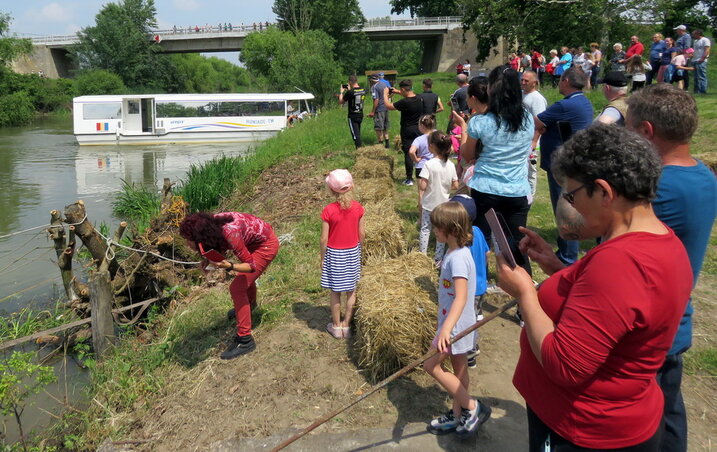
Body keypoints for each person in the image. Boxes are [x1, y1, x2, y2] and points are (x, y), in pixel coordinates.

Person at [497, 124, 693, 451]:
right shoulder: (661, 242)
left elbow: (564, 364)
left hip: (583, 428)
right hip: (614, 420)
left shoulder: (620, 263)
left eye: (572, 195)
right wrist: (559, 269)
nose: (570, 204)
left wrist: (525, 292)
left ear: (603, 191)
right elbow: (616, 310)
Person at [626, 84, 717, 452]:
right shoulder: (704, 177)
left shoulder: (656, 189)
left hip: (645, 327)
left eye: (630, 129)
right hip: (675, 322)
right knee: (669, 412)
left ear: (647, 132)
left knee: (649, 423)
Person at [452, 68, 534, 275]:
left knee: (479, 240)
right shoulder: (527, 118)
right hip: (517, 190)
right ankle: (525, 299)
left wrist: (463, 128)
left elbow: (467, 154)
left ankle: (476, 283)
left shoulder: (481, 122)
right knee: (517, 245)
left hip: (486, 189)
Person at [423, 201, 491, 437]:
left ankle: (473, 407)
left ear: (450, 230)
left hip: (455, 326)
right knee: (459, 370)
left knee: (431, 365)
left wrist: (446, 330)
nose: (434, 232)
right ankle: (458, 412)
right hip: (452, 323)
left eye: (437, 228)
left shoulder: (459, 258)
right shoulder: (454, 252)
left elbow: (461, 298)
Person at [179, 212, 280, 359]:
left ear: (199, 236)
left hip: (265, 246)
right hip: (252, 242)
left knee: (237, 288)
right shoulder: (212, 226)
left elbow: (250, 266)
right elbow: (217, 243)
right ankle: (250, 306)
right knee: (243, 283)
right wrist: (207, 260)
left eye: (189, 240)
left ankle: (245, 340)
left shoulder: (231, 233)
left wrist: (229, 266)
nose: (187, 245)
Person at [534, 67, 594, 265]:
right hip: (573, 162)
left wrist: (545, 125)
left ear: (567, 80)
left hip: (563, 165)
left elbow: (536, 122)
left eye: (560, 80)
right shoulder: (583, 102)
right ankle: (566, 249)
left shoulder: (564, 105)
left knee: (565, 208)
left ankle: (568, 256)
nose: (558, 83)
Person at [320, 169, 365, 339]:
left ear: (331, 190)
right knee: (351, 290)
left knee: (335, 291)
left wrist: (323, 258)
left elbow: (324, 239)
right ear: (352, 186)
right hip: (352, 252)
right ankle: (347, 324)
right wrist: (359, 249)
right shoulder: (358, 208)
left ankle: (336, 326)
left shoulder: (329, 210)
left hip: (334, 254)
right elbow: (362, 234)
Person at [448, 194, 489, 369]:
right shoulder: (478, 231)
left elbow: (461, 272)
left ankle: (470, 353)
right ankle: (473, 344)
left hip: (469, 291)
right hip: (481, 286)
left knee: (467, 320)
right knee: (475, 316)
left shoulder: (462, 244)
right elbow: (487, 254)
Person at [418, 131, 459, 262]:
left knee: (425, 229)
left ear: (431, 146)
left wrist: (424, 183)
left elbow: (423, 186)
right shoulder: (451, 165)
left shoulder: (428, 164)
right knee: (442, 231)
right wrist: (445, 187)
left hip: (429, 203)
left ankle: (422, 257)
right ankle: (438, 259)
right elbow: (456, 185)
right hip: (443, 205)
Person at [384, 79, 424, 186]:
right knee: (419, 151)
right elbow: (409, 95)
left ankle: (409, 178)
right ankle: (422, 174)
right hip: (419, 128)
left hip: (407, 130)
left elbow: (388, 106)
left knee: (408, 153)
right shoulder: (419, 98)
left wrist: (385, 94)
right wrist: (397, 91)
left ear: (403, 89)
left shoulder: (404, 102)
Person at [521, 70, 547, 204]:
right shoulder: (521, 95)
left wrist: (534, 142)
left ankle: (529, 198)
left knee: (530, 170)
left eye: (526, 81)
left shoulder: (536, 99)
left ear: (534, 83)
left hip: (531, 141)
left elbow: (540, 122)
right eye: (522, 80)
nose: (523, 83)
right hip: (521, 139)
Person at [410, 115, 437, 211]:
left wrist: (416, 159)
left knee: (422, 192)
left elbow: (411, 151)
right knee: (434, 191)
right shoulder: (437, 135)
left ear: (422, 126)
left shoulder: (419, 139)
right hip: (435, 166)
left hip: (421, 167)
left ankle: (421, 218)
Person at [339, 75, 366, 149]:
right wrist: (349, 89)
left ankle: (360, 151)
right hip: (360, 114)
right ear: (356, 81)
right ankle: (359, 149)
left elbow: (341, 102)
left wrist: (341, 92)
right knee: (358, 133)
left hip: (352, 116)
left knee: (355, 135)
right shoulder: (363, 90)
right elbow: (354, 94)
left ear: (350, 82)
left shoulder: (350, 92)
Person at [368, 74, 390, 149]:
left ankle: (380, 145)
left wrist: (373, 112)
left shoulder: (374, 87)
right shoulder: (384, 84)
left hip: (379, 109)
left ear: (371, 80)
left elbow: (376, 100)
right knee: (385, 127)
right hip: (386, 107)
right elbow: (391, 92)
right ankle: (387, 144)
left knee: (378, 127)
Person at [691, 29, 710, 94]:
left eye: (694, 34)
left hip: (701, 60)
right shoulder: (695, 41)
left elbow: (707, 50)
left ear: (698, 34)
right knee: (696, 77)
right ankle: (696, 91)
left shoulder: (705, 40)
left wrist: (702, 58)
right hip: (694, 60)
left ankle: (702, 91)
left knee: (701, 76)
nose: (693, 35)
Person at [674, 25, 693, 90]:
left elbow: (687, 47)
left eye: (677, 29)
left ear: (681, 30)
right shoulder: (680, 37)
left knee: (684, 71)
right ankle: (680, 86)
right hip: (679, 55)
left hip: (683, 56)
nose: (676, 31)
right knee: (680, 71)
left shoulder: (687, 36)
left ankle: (686, 87)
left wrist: (681, 53)